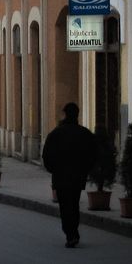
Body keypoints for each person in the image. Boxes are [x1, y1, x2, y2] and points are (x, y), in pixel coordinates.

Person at [42, 102, 98, 248]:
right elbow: (93, 155)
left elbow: (46, 156)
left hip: (60, 177)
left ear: (65, 114)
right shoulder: (85, 134)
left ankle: (70, 234)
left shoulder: (56, 133)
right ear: (77, 115)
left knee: (65, 207)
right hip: (77, 177)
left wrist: (53, 170)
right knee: (74, 204)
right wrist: (85, 170)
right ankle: (73, 232)